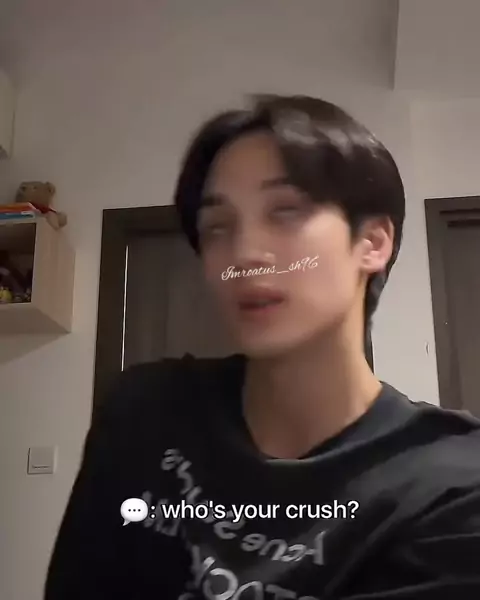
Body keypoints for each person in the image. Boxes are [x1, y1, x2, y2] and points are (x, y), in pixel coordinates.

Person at [44, 95, 480, 600]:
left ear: (372, 242)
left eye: (286, 212)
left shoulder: (449, 486)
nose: (245, 254)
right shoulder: (144, 412)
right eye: (217, 227)